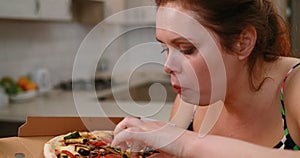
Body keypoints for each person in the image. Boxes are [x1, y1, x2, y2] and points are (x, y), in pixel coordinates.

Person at [111, 0, 300, 157]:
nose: (168, 66)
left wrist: (186, 143)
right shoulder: (193, 98)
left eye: (187, 49)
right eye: (165, 49)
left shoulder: (295, 85)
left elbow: (185, 144)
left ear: (242, 43)